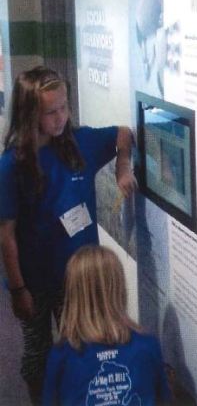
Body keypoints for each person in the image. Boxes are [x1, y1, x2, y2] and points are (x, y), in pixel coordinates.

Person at [0, 66, 137, 405]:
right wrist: (18, 289)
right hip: (35, 279)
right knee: (38, 352)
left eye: (64, 107)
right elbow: (6, 235)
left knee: (81, 347)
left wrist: (123, 168)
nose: (61, 117)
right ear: (29, 113)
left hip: (79, 278)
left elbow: (124, 133)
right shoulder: (12, 165)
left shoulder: (80, 143)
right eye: (51, 111)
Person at [42, 244, 171, 406]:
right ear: (119, 288)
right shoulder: (148, 345)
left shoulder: (61, 354)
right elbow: (164, 400)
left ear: (73, 293)